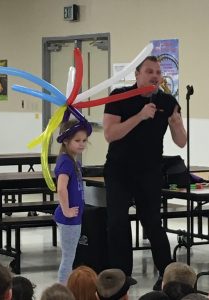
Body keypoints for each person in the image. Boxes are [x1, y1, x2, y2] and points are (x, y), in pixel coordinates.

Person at [103, 56, 187, 289]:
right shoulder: (119, 97)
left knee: (152, 223)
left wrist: (178, 124)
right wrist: (139, 116)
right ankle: (121, 276)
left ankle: (168, 274)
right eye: (149, 71)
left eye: (158, 72)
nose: (155, 76)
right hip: (119, 170)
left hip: (149, 171)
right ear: (137, 75)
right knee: (118, 222)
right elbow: (110, 134)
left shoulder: (167, 101)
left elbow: (181, 142)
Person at [54, 113, 92, 284]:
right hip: (69, 219)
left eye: (84, 140)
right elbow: (61, 188)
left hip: (74, 217)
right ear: (66, 141)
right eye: (77, 141)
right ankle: (63, 291)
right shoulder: (66, 162)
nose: (82, 144)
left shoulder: (74, 162)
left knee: (71, 257)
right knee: (68, 258)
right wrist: (67, 210)